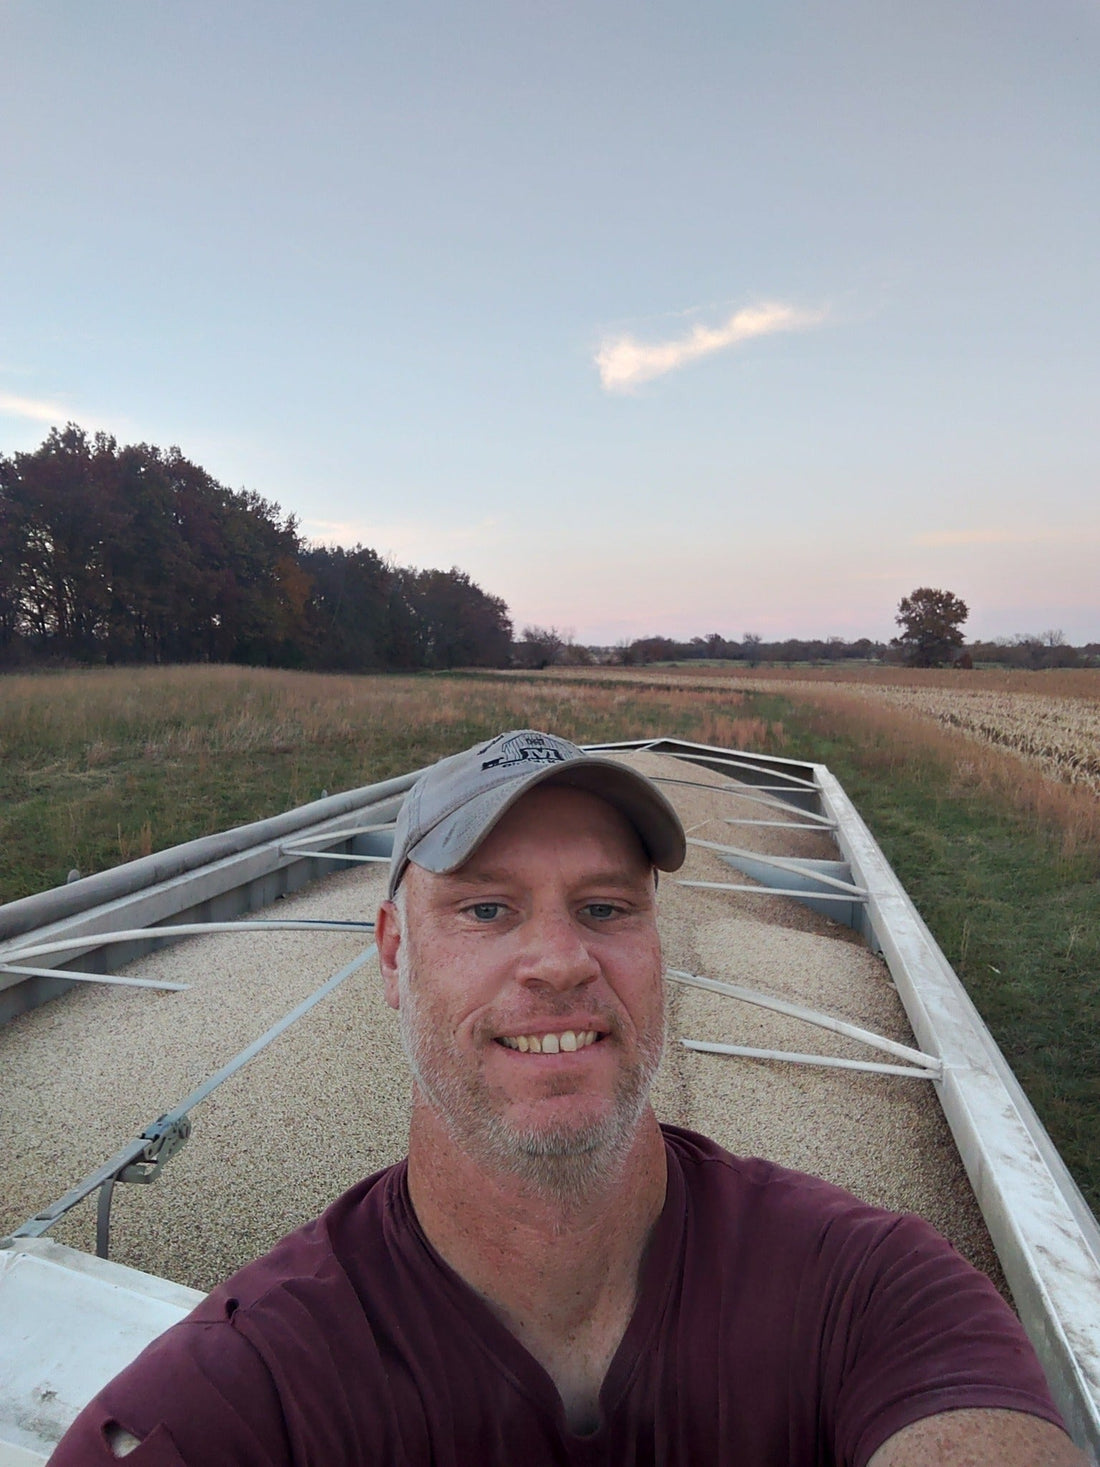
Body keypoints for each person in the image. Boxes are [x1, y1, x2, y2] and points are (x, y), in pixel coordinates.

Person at [51, 728, 1087, 1465]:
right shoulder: (249, 1392)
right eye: (486, 908)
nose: (558, 961)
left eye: (603, 907)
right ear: (391, 954)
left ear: (653, 944)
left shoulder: (876, 1294)